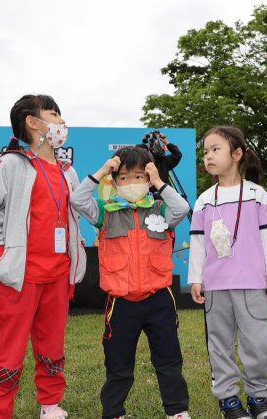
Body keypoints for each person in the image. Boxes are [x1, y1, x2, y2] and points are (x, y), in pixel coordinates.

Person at [0, 94, 86, 419]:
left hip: (58, 277)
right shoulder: (12, 163)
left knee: (52, 346)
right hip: (19, 277)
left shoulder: (68, 172)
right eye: (55, 115)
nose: (62, 123)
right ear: (33, 123)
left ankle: (49, 406)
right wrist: (0, 257)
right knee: (8, 350)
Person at [70, 146, 191, 419]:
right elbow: (77, 200)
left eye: (140, 176)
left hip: (159, 299)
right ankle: (114, 412)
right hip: (121, 303)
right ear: (114, 182)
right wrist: (102, 171)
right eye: (124, 177)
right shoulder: (105, 212)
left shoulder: (162, 209)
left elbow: (182, 207)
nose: (132, 183)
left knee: (169, 360)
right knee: (118, 364)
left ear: (149, 179)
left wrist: (159, 181)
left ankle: (177, 412)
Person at [189, 126, 267, 419]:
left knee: (257, 343)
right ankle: (228, 400)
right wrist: (196, 279)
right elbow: (198, 243)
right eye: (205, 151)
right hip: (215, 287)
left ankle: (258, 399)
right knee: (219, 343)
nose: (208, 156)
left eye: (215, 149)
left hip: (253, 283)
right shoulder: (204, 200)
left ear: (237, 154)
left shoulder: (258, 195)